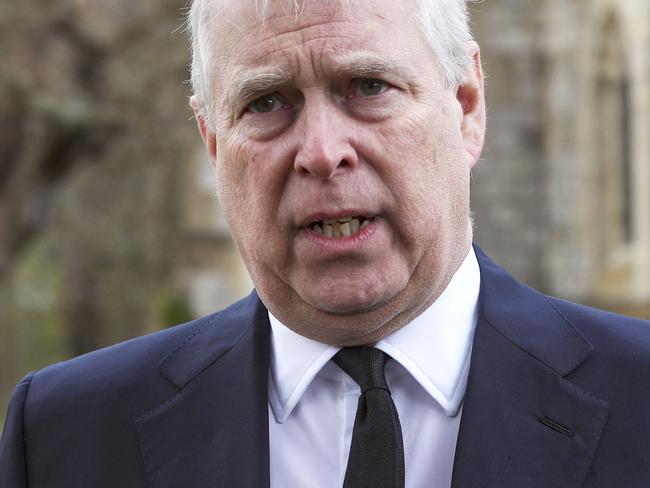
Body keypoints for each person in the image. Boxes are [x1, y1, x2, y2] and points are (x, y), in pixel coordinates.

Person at [1, 0, 649, 486]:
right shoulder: (66, 436)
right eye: (266, 102)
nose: (321, 152)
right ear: (213, 141)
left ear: (467, 105)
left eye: (368, 87)